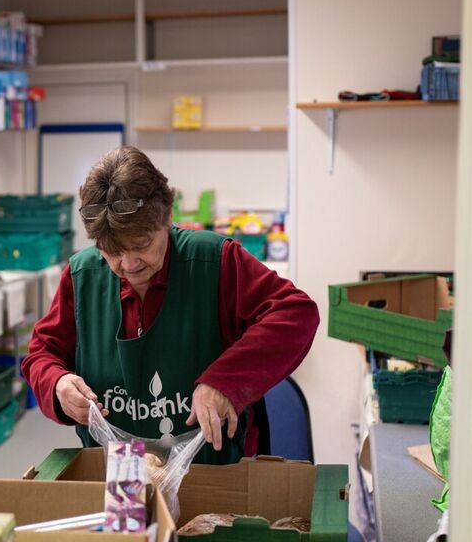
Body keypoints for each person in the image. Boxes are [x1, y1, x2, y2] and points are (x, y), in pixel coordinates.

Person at [22, 146, 320, 463]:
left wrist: (225, 383)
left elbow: (295, 314)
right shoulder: (83, 276)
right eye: (112, 251)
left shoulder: (214, 262)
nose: (128, 264)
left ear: (167, 218)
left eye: (142, 245)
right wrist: (58, 384)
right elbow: (42, 354)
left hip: (214, 473)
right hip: (119, 480)